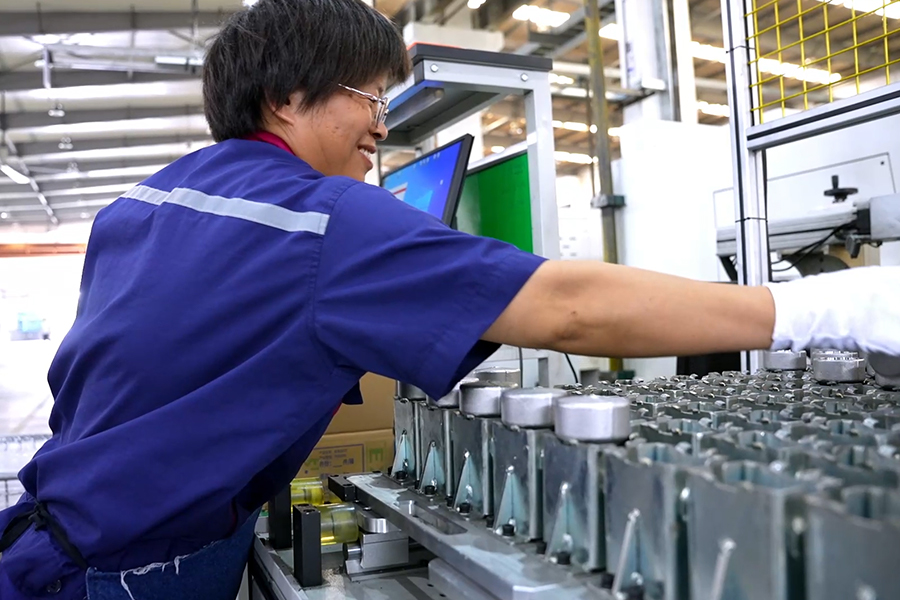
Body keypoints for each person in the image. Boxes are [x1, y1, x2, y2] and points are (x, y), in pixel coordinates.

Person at [1, 0, 898, 597]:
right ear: (285, 96)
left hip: (62, 534)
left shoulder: (147, 201)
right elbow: (568, 308)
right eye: (368, 96)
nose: (381, 125)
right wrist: (831, 309)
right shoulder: (318, 218)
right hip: (138, 567)